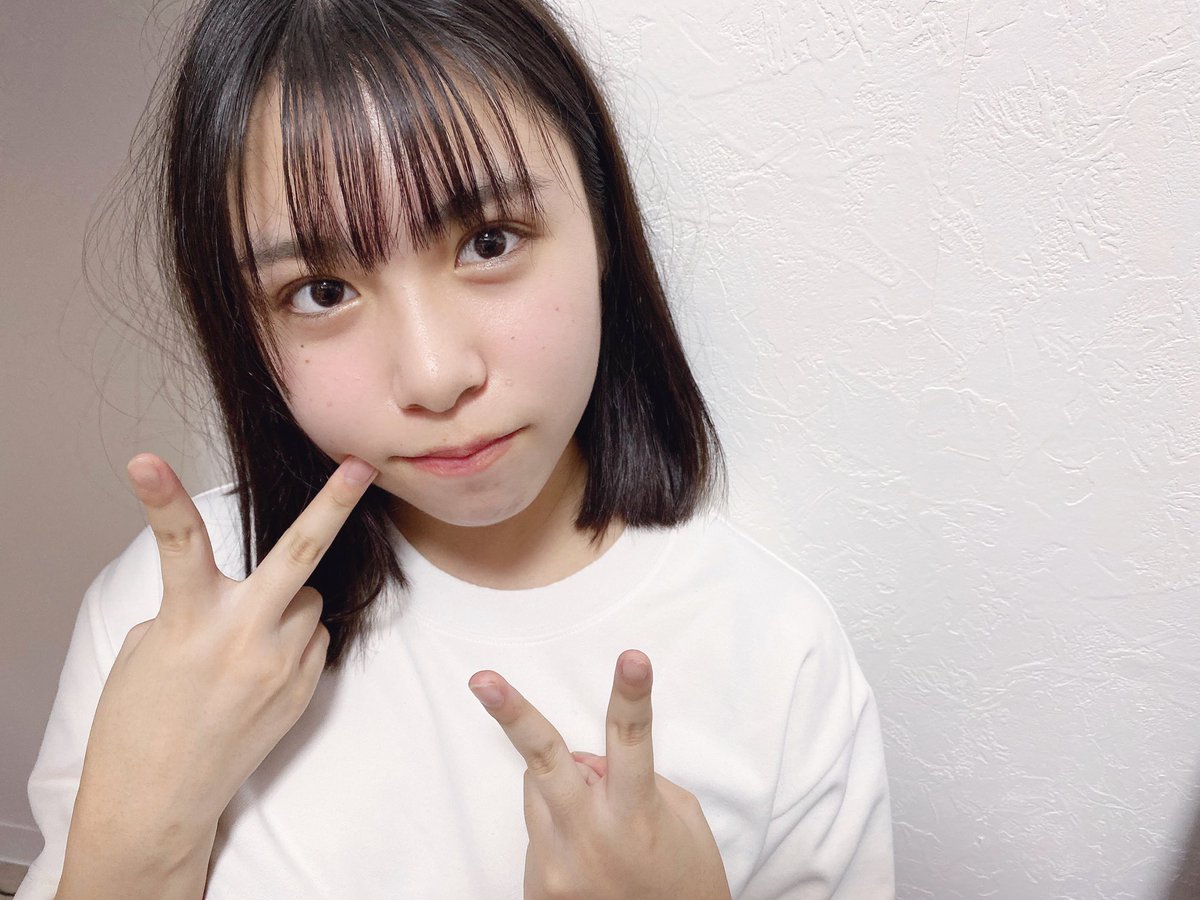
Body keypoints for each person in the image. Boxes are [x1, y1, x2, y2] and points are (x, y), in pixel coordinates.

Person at [17, 0, 895, 897]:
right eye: (321, 291)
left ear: (601, 224)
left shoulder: (776, 655)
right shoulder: (171, 616)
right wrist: (139, 827)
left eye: (488, 241)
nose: (435, 376)